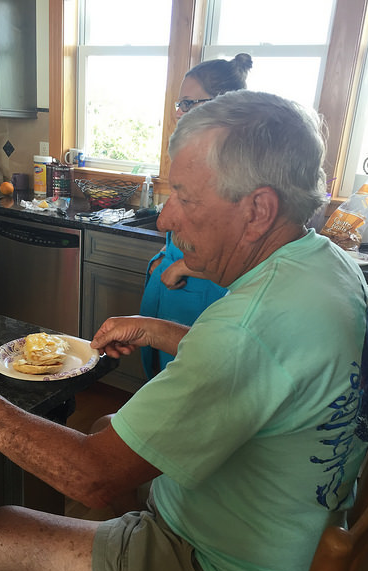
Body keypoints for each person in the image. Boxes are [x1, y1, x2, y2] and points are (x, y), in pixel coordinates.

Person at [0, 91, 368, 571]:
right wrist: (162, 332)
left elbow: (92, 478)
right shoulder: (328, 265)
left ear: (258, 210)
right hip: (293, 535)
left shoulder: (248, 327)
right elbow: (278, 366)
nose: (166, 218)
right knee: (107, 425)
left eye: (185, 197)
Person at [140, 53, 252, 378]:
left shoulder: (238, 164)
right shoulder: (196, 152)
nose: (178, 112)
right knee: (161, 377)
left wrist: (183, 266)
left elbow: (246, 248)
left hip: (202, 293)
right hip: (174, 288)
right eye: (180, 103)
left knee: (192, 376)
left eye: (188, 103)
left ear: (222, 103)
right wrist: (165, 256)